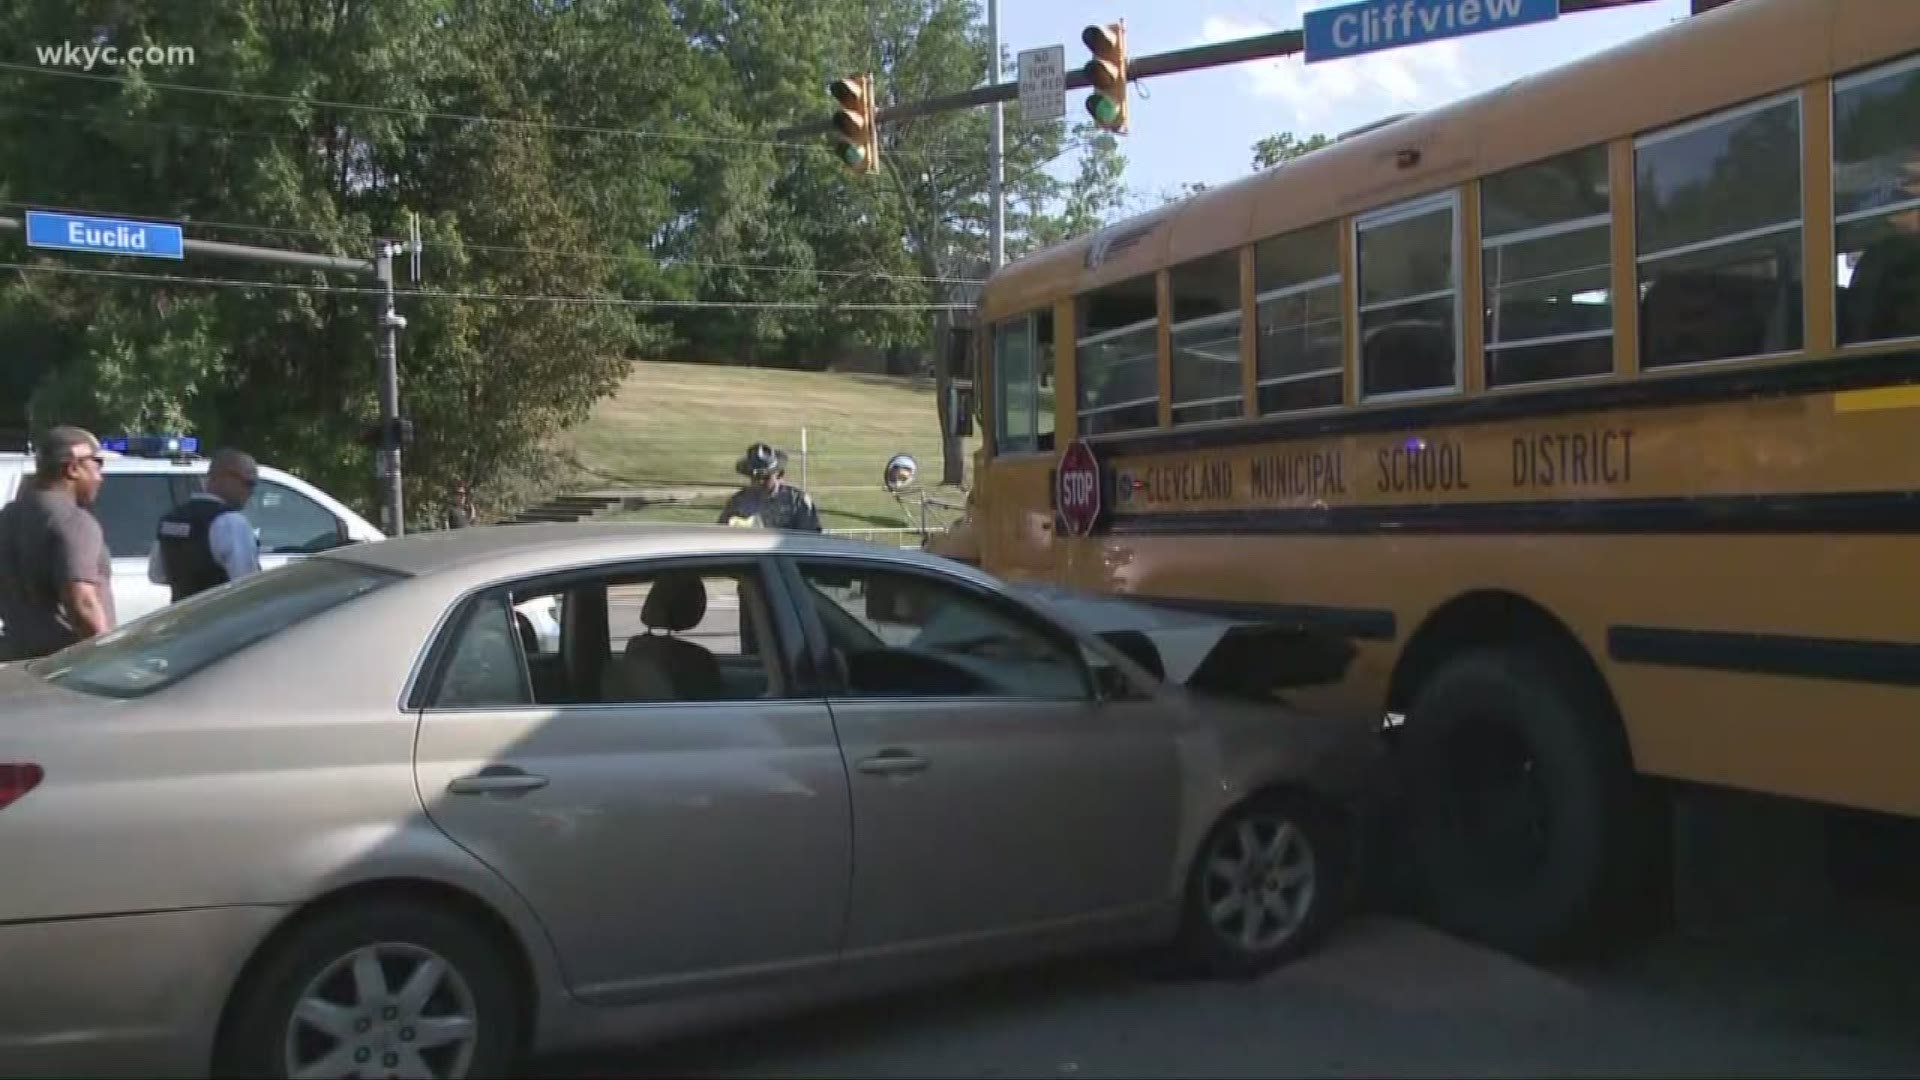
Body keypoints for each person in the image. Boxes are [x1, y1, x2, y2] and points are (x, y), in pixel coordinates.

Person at [0, 425, 115, 659]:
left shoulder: (8, 516)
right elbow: (82, 602)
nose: (100, 477)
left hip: (17, 659)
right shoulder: (73, 521)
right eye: (97, 464)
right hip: (66, 664)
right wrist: (109, 659)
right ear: (73, 468)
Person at [147, 448, 262, 602]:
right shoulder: (231, 522)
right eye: (248, 482)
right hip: (221, 617)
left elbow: (157, 575)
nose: (251, 491)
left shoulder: (172, 518)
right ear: (224, 477)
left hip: (184, 618)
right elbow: (248, 584)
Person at [717, 442, 822, 533]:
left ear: (779, 475)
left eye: (766, 478)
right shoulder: (738, 502)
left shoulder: (797, 501)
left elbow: (811, 537)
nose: (759, 482)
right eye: (755, 478)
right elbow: (722, 534)